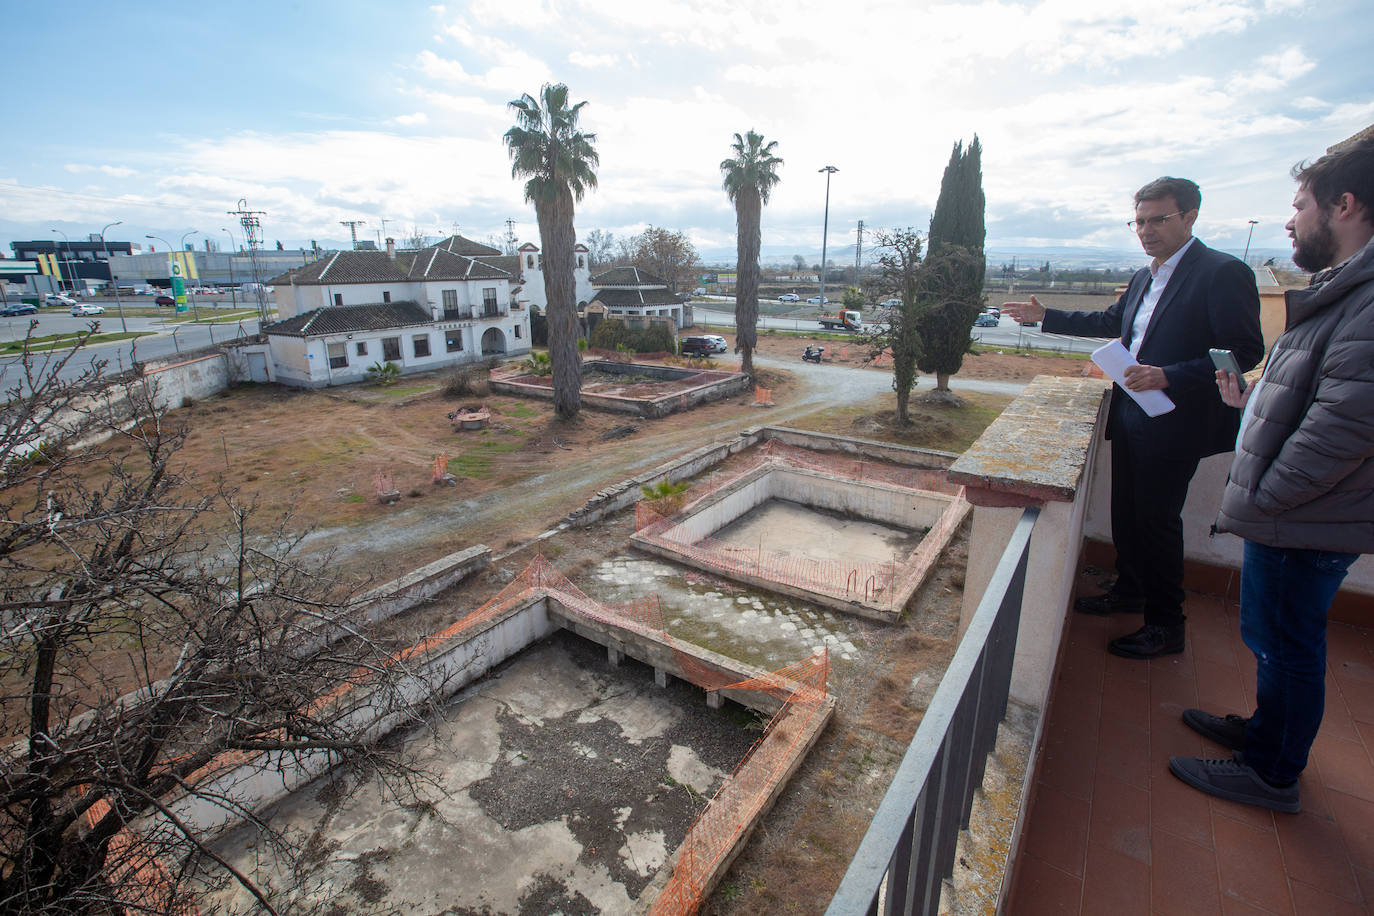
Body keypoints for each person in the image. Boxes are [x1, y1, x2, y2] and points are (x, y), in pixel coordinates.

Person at [1170, 138, 1374, 813]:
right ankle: (1268, 733)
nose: (1290, 221)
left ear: (1345, 206)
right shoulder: (1349, 292)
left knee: (1286, 644)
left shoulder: (1367, 303)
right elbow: (1323, 396)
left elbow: (1344, 430)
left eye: (1300, 205)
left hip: (1303, 516)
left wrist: (1264, 496)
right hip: (1302, 513)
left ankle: (1271, 772)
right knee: (1276, 639)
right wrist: (1252, 399)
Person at [1003, 178, 1263, 659]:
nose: (1145, 230)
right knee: (1126, 511)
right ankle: (1130, 590)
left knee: (1157, 521)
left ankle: (1166, 625)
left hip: (1176, 421)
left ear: (1190, 217)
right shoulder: (1146, 276)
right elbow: (1111, 322)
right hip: (1131, 412)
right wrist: (1046, 316)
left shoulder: (1222, 272)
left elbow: (1245, 350)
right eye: (1139, 221)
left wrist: (1169, 375)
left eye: (1158, 219)